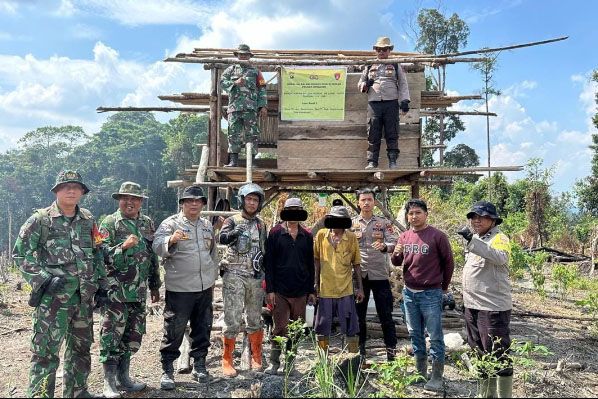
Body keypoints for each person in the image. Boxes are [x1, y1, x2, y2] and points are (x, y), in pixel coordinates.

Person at [12, 170, 104, 398]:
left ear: (82, 192)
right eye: (65, 187)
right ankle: (41, 395)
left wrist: (101, 285)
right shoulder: (40, 219)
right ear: (57, 191)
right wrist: (43, 279)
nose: (71, 190)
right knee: (45, 352)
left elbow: (98, 251)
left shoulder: (88, 220)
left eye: (76, 186)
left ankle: (77, 391)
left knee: (81, 349)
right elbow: (20, 254)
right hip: (53, 300)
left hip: (83, 298)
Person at [99, 181, 161, 398]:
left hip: (139, 291)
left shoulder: (147, 223)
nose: (130, 202)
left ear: (141, 202)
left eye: (134, 199)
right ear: (119, 200)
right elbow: (101, 255)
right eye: (125, 198)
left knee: (132, 336)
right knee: (111, 336)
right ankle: (109, 383)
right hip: (116, 293)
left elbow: (151, 255)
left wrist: (155, 284)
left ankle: (124, 378)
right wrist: (122, 247)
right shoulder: (109, 223)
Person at [153, 185, 218, 389]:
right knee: (174, 329)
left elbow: (213, 253)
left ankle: (200, 365)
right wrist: (170, 240)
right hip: (180, 288)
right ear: (182, 204)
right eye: (189, 200)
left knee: (202, 327)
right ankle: (168, 370)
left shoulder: (207, 225)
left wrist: (212, 275)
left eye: (198, 201)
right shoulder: (170, 224)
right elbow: (157, 246)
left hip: (204, 287)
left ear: (202, 204)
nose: (194, 204)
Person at [391, 199, 454, 392]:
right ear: (407, 216)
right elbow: (396, 262)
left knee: (434, 336)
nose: (414, 216)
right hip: (409, 293)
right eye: (411, 213)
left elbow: (449, 263)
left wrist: (443, 288)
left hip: (430, 293)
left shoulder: (437, 236)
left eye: (418, 212)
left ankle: (436, 377)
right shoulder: (405, 236)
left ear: (426, 214)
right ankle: (420, 373)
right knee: (414, 334)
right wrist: (396, 252)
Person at [457, 201, 513, 398]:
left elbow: (500, 258)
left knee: (498, 352)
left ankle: (503, 395)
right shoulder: (478, 239)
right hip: (472, 305)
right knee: (478, 351)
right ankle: (485, 394)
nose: (476, 220)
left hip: (492, 307)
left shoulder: (499, 238)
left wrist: (472, 241)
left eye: (481, 216)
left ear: (493, 219)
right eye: (473, 217)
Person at [219, 183, 268, 377]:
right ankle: (227, 359)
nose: (252, 203)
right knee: (232, 317)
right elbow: (221, 238)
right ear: (242, 200)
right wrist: (234, 233)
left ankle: (256, 356)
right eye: (248, 199)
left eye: (255, 200)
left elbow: (265, 249)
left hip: (255, 276)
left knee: (255, 317)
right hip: (234, 275)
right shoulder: (232, 220)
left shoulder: (261, 224)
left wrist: (267, 275)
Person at [264, 198, 316, 375]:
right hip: (280, 290)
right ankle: (274, 363)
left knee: (296, 329)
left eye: (297, 209)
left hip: (301, 290)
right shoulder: (275, 233)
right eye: (290, 209)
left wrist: (311, 290)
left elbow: (311, 265)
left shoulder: (307, 236)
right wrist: (269, 290)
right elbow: (268, 263)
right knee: (279, 327)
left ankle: (290, 364)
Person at [351, 188, 398, 362]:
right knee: (359, 316)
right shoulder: (352, 223)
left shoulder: (383, 223)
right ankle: (360, 353)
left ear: (374, 202)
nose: (366, 203)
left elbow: (394, 242)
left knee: (386, 315)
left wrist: (385, 246)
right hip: (359, 277)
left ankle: (391, 354)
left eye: (369, 199)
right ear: (358, 202)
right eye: (363, 200)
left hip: (380, 275)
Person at [313, 205, 364, 353]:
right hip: (325, 288)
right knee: (322, 326)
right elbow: (316, 260)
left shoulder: (351, 238)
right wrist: (315, 283)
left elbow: (357, 263)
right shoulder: (321, 235)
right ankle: (323, 359)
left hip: (345, 289)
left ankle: (352, 357)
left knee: (351, 326)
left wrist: (360, 288)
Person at [357, 36, 410, 170]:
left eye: (384, 49)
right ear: (376, 50)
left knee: (392, 132)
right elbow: (360, 84)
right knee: (373, 132)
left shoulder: (396, 64)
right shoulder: (369, 65)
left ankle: (393, 161)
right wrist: (365, 84)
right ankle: (372, 162)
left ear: (389, 51)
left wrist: (404, 100)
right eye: (379, 49)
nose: (381, 52)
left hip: (391, 102)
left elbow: (403, 83)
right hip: (374, 103)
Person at [220, 43, 268, 167]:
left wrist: (263, 106)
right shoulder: (230, 70)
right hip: (234, 108)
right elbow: (221, 82)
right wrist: (234, 82)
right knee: (233, 134)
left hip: (250, 109)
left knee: (251, 135)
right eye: (241, 54)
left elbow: (262, 89)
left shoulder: (256, 72)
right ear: (237, 55)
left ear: (249, 56)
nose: (243, 56)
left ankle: (251, 162)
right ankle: (233, 162)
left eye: (245, 54)